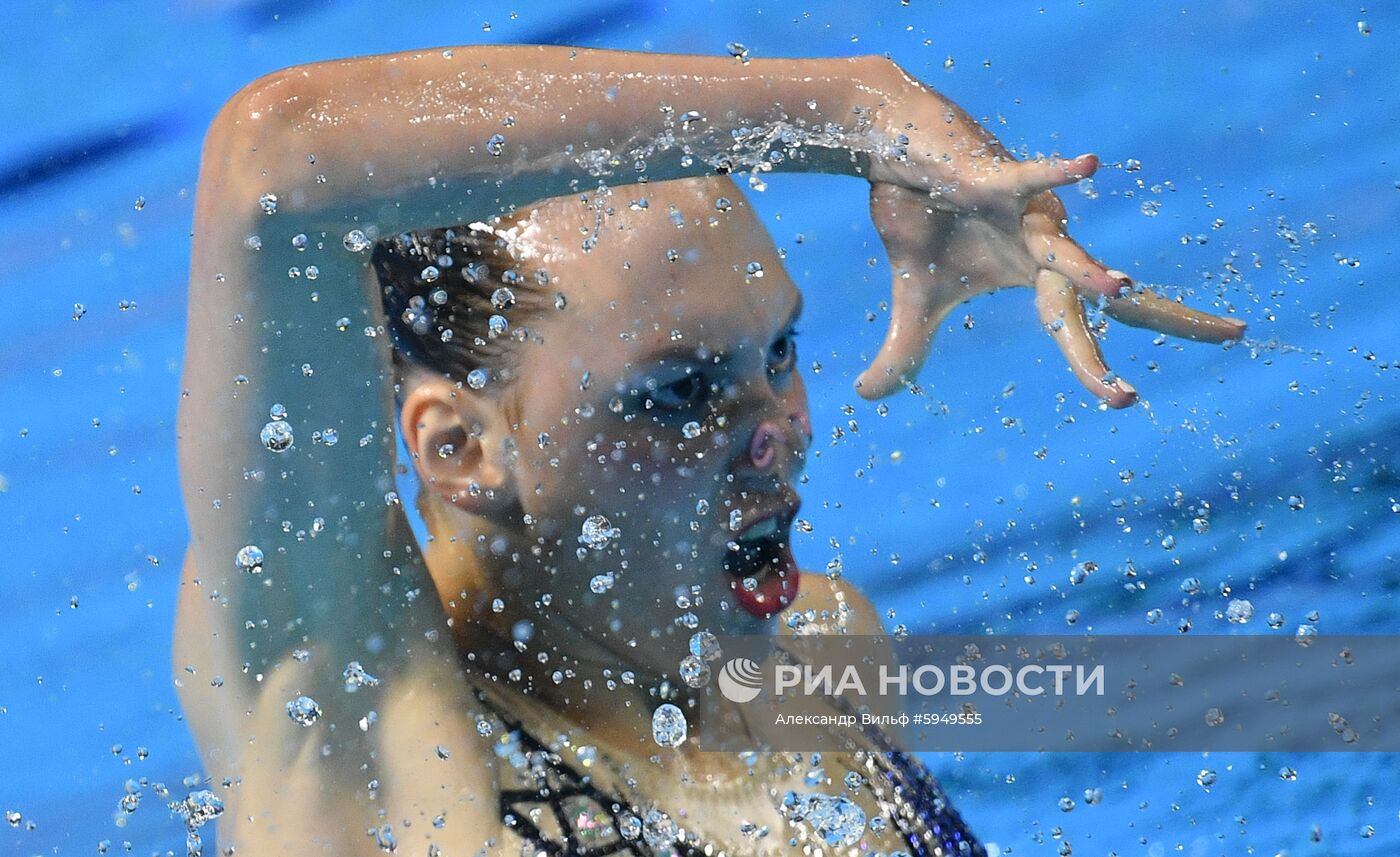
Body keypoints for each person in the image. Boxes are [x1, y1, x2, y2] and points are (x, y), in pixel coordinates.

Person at [172, 46, 1244, 854]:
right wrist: (850, 112)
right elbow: (274, 166)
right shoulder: (374, 746)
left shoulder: (822, 652)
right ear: (460, 447)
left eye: (776, 354)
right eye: (679, 392)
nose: (775, 431)